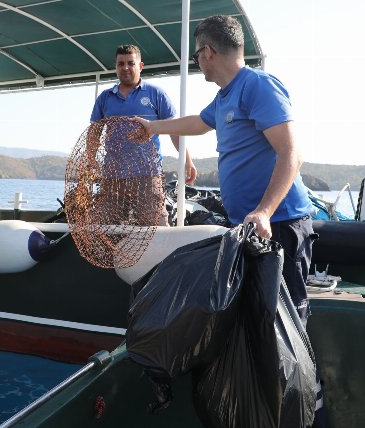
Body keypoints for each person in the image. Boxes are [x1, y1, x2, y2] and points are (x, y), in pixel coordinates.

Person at [130, 16, 315, 324]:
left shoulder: (257, 85)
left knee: (287, 321)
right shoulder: (223, 98)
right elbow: (197, 123)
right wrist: (152, 127)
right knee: (251, 319)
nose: (198, 62)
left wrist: (265, 211)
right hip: (245, 227)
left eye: (196, 56)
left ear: (208, 52)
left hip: (279, 225)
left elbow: (292, 152)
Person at [89, 44, 196, 226]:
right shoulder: (105, 98)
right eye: (120, 64)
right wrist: (90, 162)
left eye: (131, 63)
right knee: (105, 229)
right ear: (115, 67)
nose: (125, 68)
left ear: (140, 66)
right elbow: (93, 134)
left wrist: (187, 160)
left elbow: (174, 130)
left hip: (147, 175)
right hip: (112, 178)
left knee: (157, 228)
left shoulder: (156, 94)